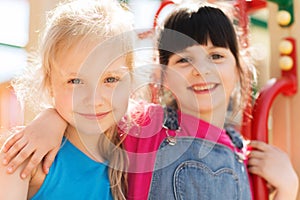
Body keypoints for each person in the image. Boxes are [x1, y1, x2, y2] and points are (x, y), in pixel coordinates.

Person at [1, 2, 298, 200]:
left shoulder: (245, 154)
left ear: (239, 65)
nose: (201, 70)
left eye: (217, 56)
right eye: (183, 60)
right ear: (162, 75)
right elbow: (93, 105)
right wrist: (49, 119)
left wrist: (288, 187)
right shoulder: (147, 125)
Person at [0, 0, 135, 199]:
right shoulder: (26, 159)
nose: (94, 99)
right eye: (76, 81)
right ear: (49, 82)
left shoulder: (140, 150)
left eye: (110, 79)